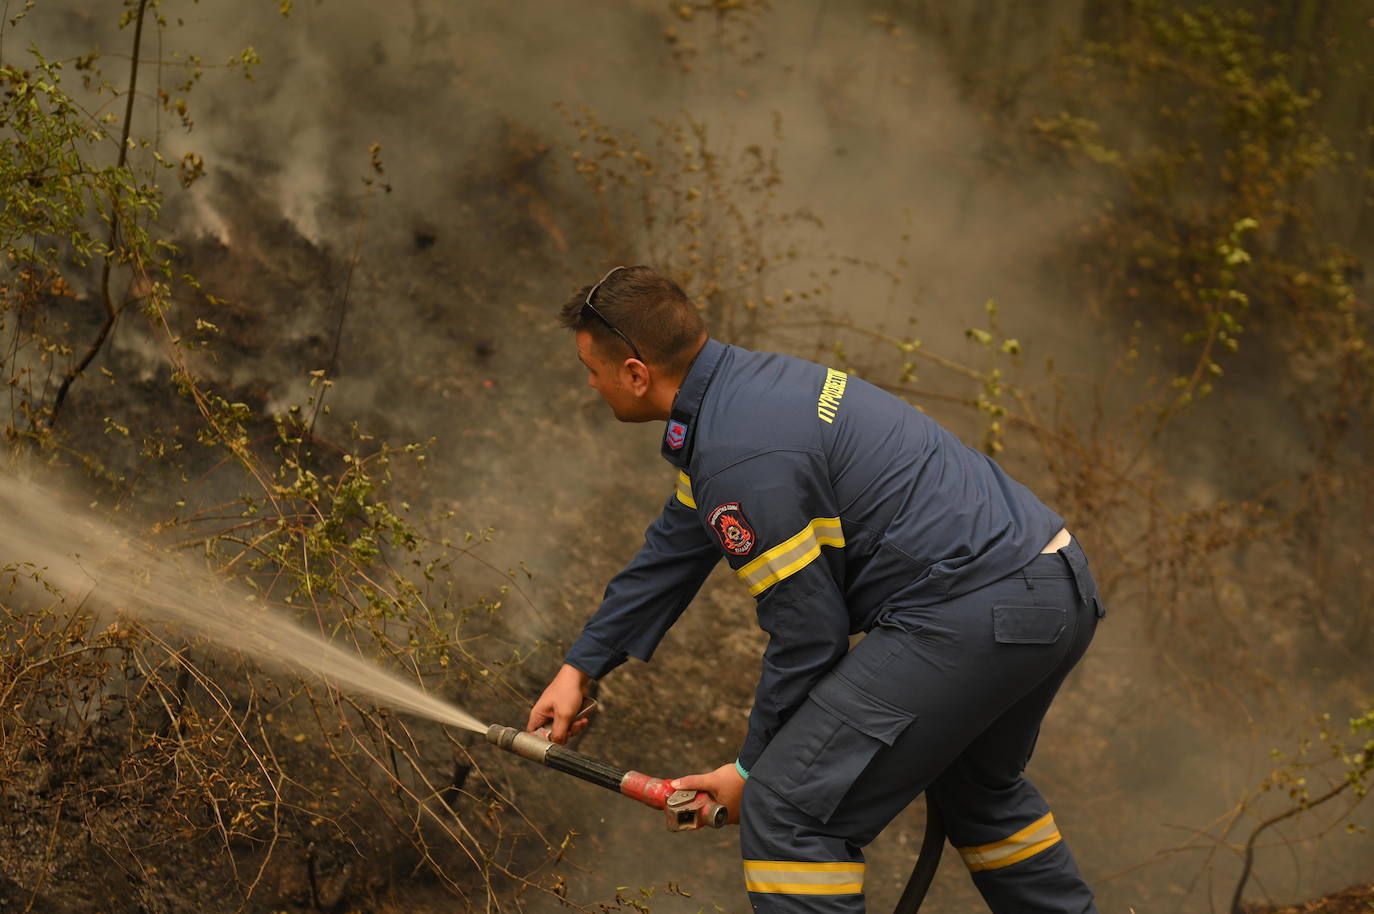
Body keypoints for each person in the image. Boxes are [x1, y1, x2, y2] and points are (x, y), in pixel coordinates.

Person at [527, 265, 1103, 914]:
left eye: (591, 368)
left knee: (788, 814)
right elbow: (675, 545)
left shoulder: (739, 454)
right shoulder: (742, 391)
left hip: (972, 610)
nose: (589, 382)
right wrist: (583, 665)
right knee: (978, 791)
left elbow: (808, 636)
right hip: (1053, 586)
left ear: (635, 372)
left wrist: (751, 773)